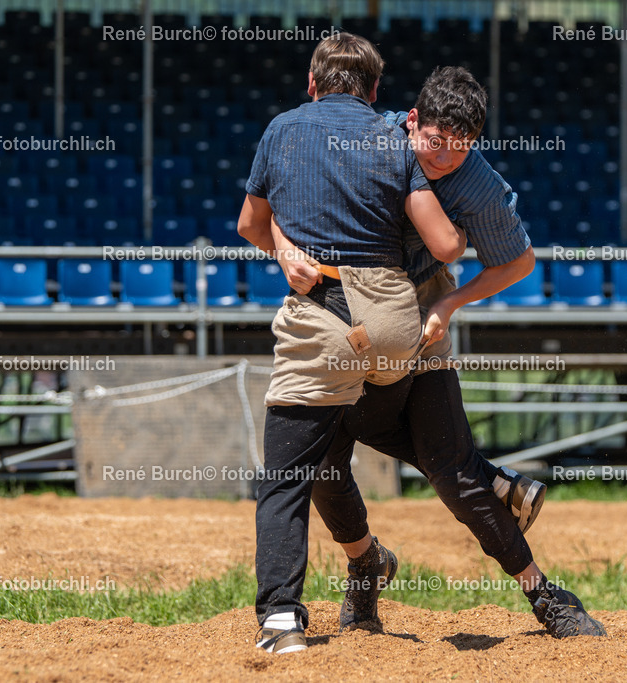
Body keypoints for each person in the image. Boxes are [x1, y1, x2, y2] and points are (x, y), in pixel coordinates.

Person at [268, 66, 607, 640]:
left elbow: (519, 263)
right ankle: (367, 563)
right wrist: (282, 251)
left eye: (462, 146)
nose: (446, 157)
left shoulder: (472, 179)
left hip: (421, 310)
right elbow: (276, 197)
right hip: (337, 305)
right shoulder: (364, 139)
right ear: (412, 120)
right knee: (325, 463)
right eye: (435, 143)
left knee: (452, 474)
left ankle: (545, 595)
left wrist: (450, 304)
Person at [236, 34, 467, 654]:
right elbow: (445, 246)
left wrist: (286, 250)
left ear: (312, 84)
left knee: (287, 474)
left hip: (322, 320)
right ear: (373, 92)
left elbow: (250, 225)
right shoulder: (395, 138)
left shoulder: (282, 130)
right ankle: (477, 488)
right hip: (396, 326)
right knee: (372, 434)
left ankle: (282, 619)